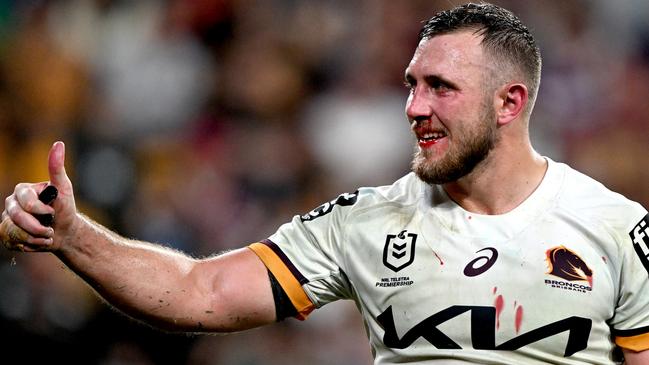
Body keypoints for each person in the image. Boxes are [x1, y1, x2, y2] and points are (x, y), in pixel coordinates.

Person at [2, 3, 648, 364]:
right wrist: (75, 238)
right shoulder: (364, 222)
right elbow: (198, 289)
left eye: (440, 88)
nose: (414, 107)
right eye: (411, 86)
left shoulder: (615, 228)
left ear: (508, 103)